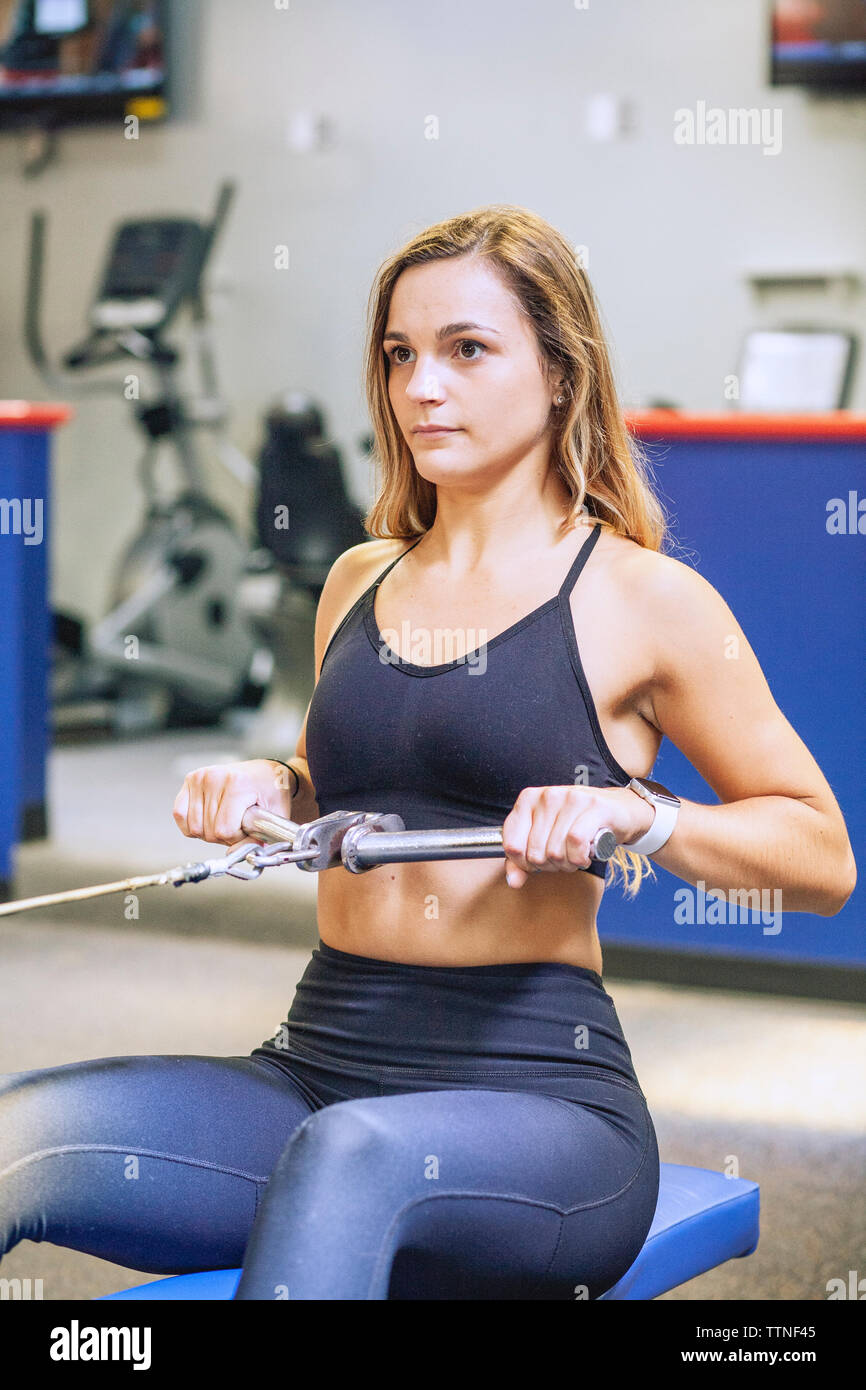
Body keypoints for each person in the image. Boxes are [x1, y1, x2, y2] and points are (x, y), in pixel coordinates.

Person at [0, 206, 855, 1301]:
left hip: (541, 1105)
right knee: (22, 1129)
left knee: (352, 1159)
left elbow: (821, 854)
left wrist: (643, 817)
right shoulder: (361, 578)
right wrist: (267, 785)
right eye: (399, 355)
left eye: (465, 350)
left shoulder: (645, 601)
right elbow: (331, 785)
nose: (418, 387)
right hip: (315, 1067)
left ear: (559, 374)